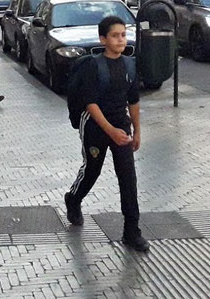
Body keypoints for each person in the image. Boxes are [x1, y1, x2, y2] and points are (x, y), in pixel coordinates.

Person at [64, 16, 149, 252]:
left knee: (128, 177)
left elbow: (133, 101)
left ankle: (132, 231)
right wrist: (110, 131)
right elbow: (90, 103)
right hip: (95, 125)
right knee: (92, 170)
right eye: (115, 35)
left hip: (121, 125)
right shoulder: (94, 66)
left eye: (123, 34)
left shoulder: (130, 65)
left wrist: (137, 131)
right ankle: (73, 198)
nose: (121, 39)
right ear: (103, 39)